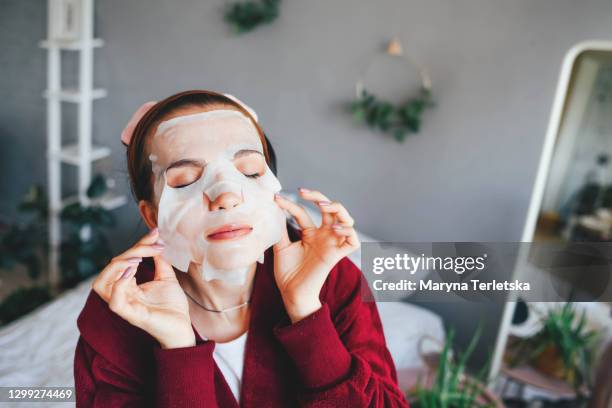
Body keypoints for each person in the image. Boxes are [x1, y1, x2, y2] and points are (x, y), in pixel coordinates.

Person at [73, 89, 408, 407]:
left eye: (249, 171)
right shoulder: (119, 313)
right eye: (186, 180)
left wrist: (306, 311)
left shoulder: (331, 280)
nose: (226, 196)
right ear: (151, 214)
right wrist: (178, 350)